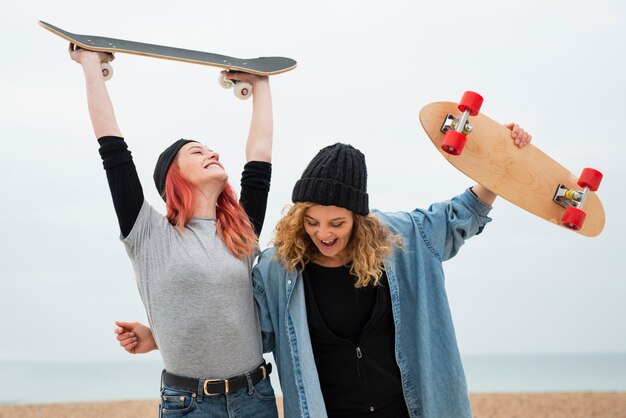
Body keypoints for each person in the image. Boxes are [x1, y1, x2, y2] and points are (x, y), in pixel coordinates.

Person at [117, 132, 531, 417]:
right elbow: (246, 330)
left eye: (337, 223)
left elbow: (461, 214)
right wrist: (160, 336)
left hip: (407, 407)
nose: (323, 233)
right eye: (313, 221)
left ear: (358, 218)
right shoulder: (279, 270)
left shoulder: (401, 240)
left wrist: (502, 158)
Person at [69, 43, 279, 418]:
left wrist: (261, 86)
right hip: (190, 405)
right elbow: (112, 148)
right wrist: (90, 64)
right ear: (174, 177)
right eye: (198, 153)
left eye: (211, 150)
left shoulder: (239, 232)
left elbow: (259, 159)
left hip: (255, 397)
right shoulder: (148, 235)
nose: (213, 154)